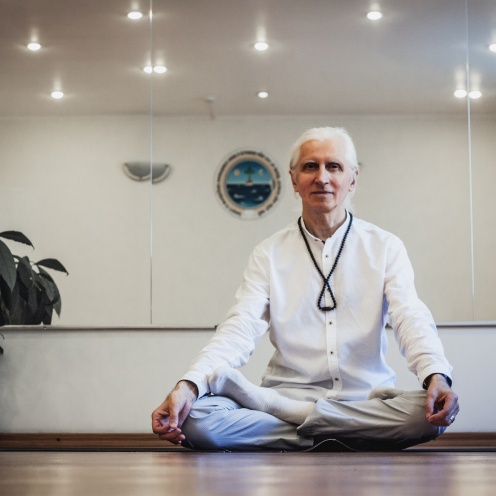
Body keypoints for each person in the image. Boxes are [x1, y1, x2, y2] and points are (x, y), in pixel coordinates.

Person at [151, 126, 459, 451]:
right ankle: (340, 429)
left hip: (363, 399)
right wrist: (189, 384)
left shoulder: (385, 247)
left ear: (352, 179)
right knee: (196, 418)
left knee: (429, 415)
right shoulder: (268, 253)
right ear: (294, 180)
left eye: (334, 166)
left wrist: (436, 376)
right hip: (298, 395)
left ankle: (288, 417)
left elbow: (410, 316)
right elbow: (239, 328)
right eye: (310, 166)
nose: (322, 177)